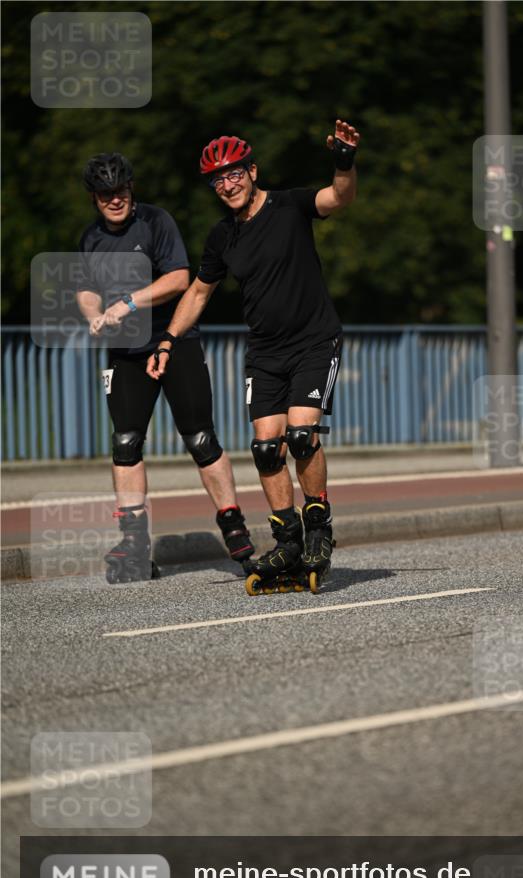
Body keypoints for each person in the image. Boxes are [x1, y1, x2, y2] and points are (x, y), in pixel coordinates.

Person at [147, 121, 360, 590]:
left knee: (301, 435)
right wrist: (167, 338)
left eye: (234, 173)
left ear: (252, 171)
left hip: (313, 340)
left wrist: (344, 161)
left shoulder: (289, 206)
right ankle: (287, 537)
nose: (228, 184)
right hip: (264, 352)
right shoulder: (222, 237)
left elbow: (338, 197)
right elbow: (199, 293)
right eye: (218, 179)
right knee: (266, 448)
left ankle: (318, 525)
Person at [76, 152, 254, 582]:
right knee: (125, 442)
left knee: (199, 436)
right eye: (105, 194)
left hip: (173, 342)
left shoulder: (156, 222)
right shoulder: (91, 238)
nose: (114, 200)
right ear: (95, 198)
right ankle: (134, 543)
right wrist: (95, 315)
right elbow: (85, 289)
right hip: (126, 353)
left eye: (120, 191)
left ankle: (234, 527)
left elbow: (179, 278)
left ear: (130, 189)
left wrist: (130, 302)